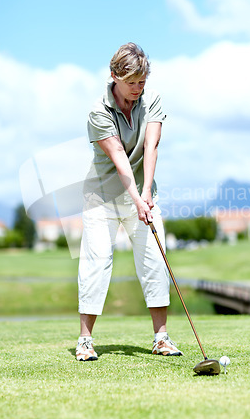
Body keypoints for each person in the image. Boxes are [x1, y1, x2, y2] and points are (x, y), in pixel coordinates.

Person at [76, 43, 183, 361]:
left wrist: (146, 192)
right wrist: (136, 197)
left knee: (154, 261)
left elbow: (151, 147)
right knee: (96, 265)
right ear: (114, 77)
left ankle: (161, 338)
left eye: (142, 81)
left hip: (142, 194)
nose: (138, 88)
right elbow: (120, 158)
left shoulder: (152, 100)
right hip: (102, 198)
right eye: (132, 82)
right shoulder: (99, 111)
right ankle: (85, 341)